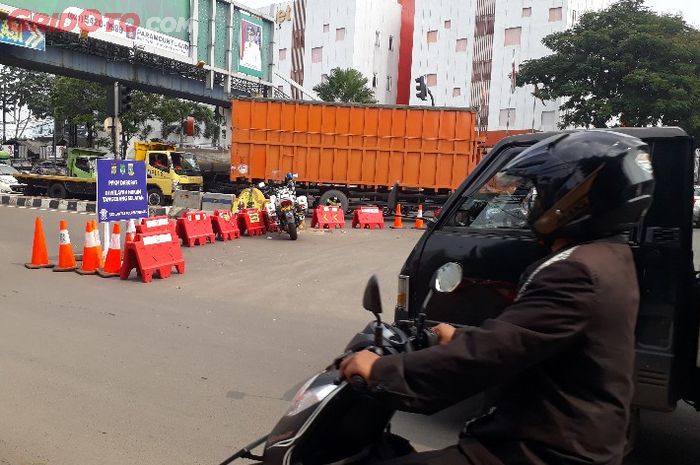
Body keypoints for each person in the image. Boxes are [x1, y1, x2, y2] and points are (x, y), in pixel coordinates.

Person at [341, 131, 655, 465]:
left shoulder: (576, 270)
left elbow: (493, 353)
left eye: (543, 192)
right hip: (571, 436)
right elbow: (527, 337)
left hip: (542, 449)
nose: (534, 203)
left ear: (578, 198)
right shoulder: (609, 257)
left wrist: (381, 372)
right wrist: (461, 337)